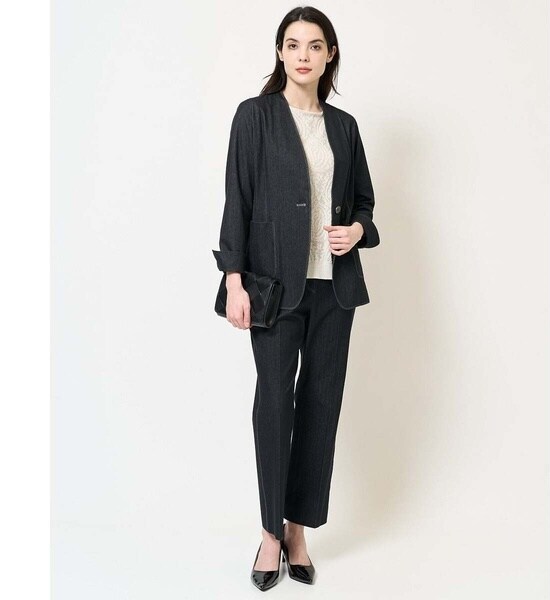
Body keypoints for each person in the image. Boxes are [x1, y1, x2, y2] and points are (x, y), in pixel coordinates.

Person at [212, 6, 380, 591]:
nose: (303, 54)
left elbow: (365, 204)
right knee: (274, 406)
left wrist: (357, 230)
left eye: (314, 45)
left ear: (330, 55)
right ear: (280, 53)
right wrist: (234, 280)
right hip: (273, 289)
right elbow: (237, 200)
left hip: (334, 291)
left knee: (320, 408)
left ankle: (298, 529)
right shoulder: (255, 116)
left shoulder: (345, 127)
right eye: (292, 44)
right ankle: (269, 532)